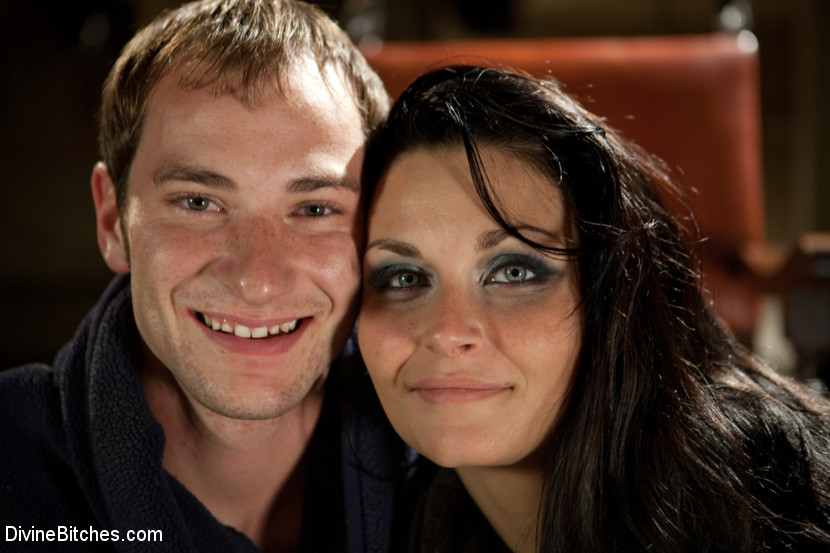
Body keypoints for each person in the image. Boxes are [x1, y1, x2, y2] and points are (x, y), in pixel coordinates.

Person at [0, 1, 422, 551]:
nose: (258, 281)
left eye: (315, 209)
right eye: (198, 202)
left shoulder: (458, 465)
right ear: (112, 221)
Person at [358, 65, 830, 552]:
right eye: (404, 278)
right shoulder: (405, 518)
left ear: (613, 294)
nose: (446, 332)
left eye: (514, 272)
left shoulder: (769, 518)